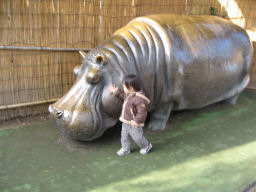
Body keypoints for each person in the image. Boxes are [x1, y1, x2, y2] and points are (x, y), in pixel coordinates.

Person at [108, 74, 152, 156]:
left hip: (134, 123)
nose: (123, 89)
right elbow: (123, 95)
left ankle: (146, 146)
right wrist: (115, 91)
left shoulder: (139, 99)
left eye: (124, 87)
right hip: (126, 121)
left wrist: (136, 121)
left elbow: (142, 112)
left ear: (131, 88)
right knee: (124, 136)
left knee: (138, 137)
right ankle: (125, 149)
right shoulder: (130, 95)